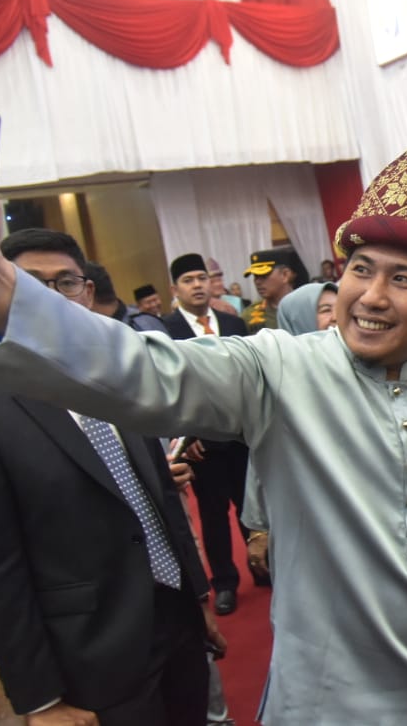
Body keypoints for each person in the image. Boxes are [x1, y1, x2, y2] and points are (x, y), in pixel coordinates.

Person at [0, 148, 407, 723]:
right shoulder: (277, 369)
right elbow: (136, 369)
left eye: (402, 279)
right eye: (360, 270)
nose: (371, 297)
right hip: (334, 702)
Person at [0, 228, 221, 725]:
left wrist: (198, 598)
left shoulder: (121, 380)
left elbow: (160, 500)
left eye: (66, 283)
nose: (51, 299)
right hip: (92, 654)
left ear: (87, 293)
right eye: (30, 284)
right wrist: (39, 699)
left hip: (177, 622)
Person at [161, 254, 250, 616]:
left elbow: (251, 377)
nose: (197, 285)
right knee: (213, 515)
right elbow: (167, 388)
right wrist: (185, 432)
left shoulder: (233, 323)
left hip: (242, 436)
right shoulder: (166, 331)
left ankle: (263, 565)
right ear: (175, 289)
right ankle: (225, 582)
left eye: (202, 278)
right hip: (201, 444)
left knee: (251, 508)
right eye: (188, 280)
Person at [241, 279, 339, 586]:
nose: (336, 317)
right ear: (299, 317)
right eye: (325, 310)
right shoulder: (280, 380)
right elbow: (260, 455)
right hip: (302, 515)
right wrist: (258, 527)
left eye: (341, 307)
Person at [240, 247, 307, 333]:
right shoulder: (249, 315)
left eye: (264, 275)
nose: (257, 282)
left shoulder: (306, 307)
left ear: (285, 275)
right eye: (255, 276)